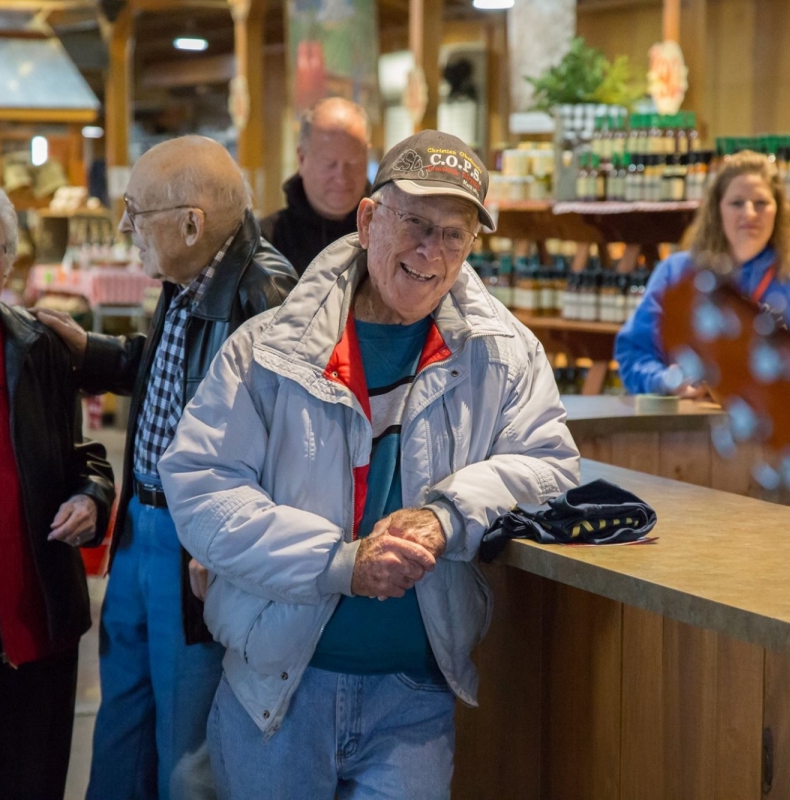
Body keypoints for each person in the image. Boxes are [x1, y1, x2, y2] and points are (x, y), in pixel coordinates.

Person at [159, 130, 580, 799]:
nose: (430, 251)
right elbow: (202, 488)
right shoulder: (268, 349)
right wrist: (338, 562)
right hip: (275, 692)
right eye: (414, 223)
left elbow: (550, 464)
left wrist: (448, 515)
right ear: (367, 218)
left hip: (413, 702)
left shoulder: (502, 352)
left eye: (454, 234)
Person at [35, 135, 297, 800]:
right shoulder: (186, 275)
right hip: (141, 527)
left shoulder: (264, 291)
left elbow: (291, 439)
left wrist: (233, 545)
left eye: (136, 212)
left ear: (191, 221)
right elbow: (166, 371)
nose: (124, 228)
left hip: (198, 542)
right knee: (122, 715)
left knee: (185, 738)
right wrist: (89, 350)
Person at [0, 181, 115, 800]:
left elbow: (85, 456)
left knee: (34, 782)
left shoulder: (36, 347)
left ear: (10, 260)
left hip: (37, 623)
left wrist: (90, 497)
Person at [616, 149, 790, 396]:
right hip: (688, 425)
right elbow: (634, 355)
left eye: (761, 203)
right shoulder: (676, 273)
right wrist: (667, 381)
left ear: (779, 210)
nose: (749, 213)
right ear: (717, 210)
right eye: (737, 202)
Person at [260, 96, 370, 276]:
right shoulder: (266, 243)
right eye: (329, 164)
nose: (341, 177)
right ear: (302, 159)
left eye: (353, 162)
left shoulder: (388, 231)